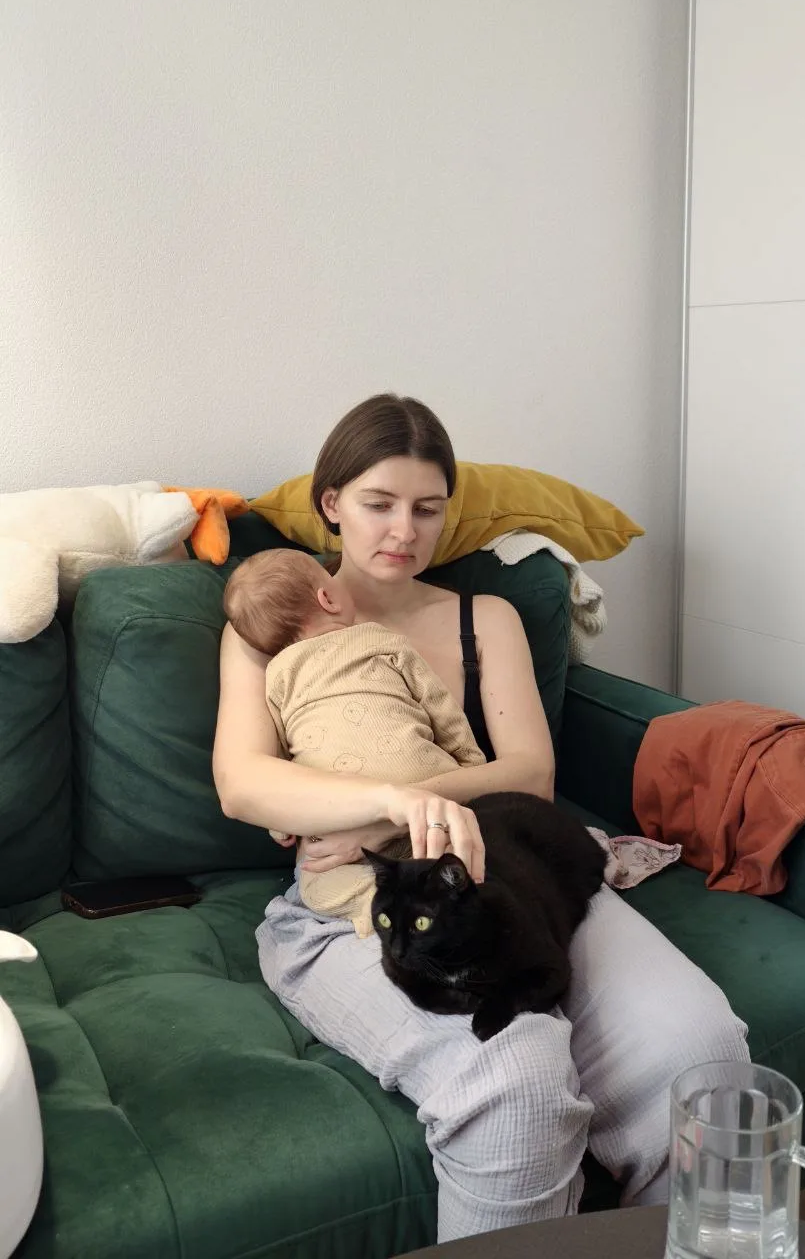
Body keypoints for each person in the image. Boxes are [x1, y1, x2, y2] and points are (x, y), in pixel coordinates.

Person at [212, 393, 749, 1243]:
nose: (404, 531)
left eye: (427, 509)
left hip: (502, 871)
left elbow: (530, 774)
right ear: (331, 504)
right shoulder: (268, 625)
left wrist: (404, 804)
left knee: (701, 1050)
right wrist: (389, 806)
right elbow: (244, 784)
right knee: (518, 1080)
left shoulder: (484, 618)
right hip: (357, 903)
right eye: (379, 504)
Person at [222, 548, 486, 936]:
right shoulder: (381, 640)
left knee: (319, 883)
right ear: (328, 598)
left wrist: (281, 823)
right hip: (429, 799)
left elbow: (279, 756)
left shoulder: (277, 675)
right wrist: (469, 760)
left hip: (338, 824)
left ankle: (373, 907)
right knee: (454, 851)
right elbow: (439, 707)